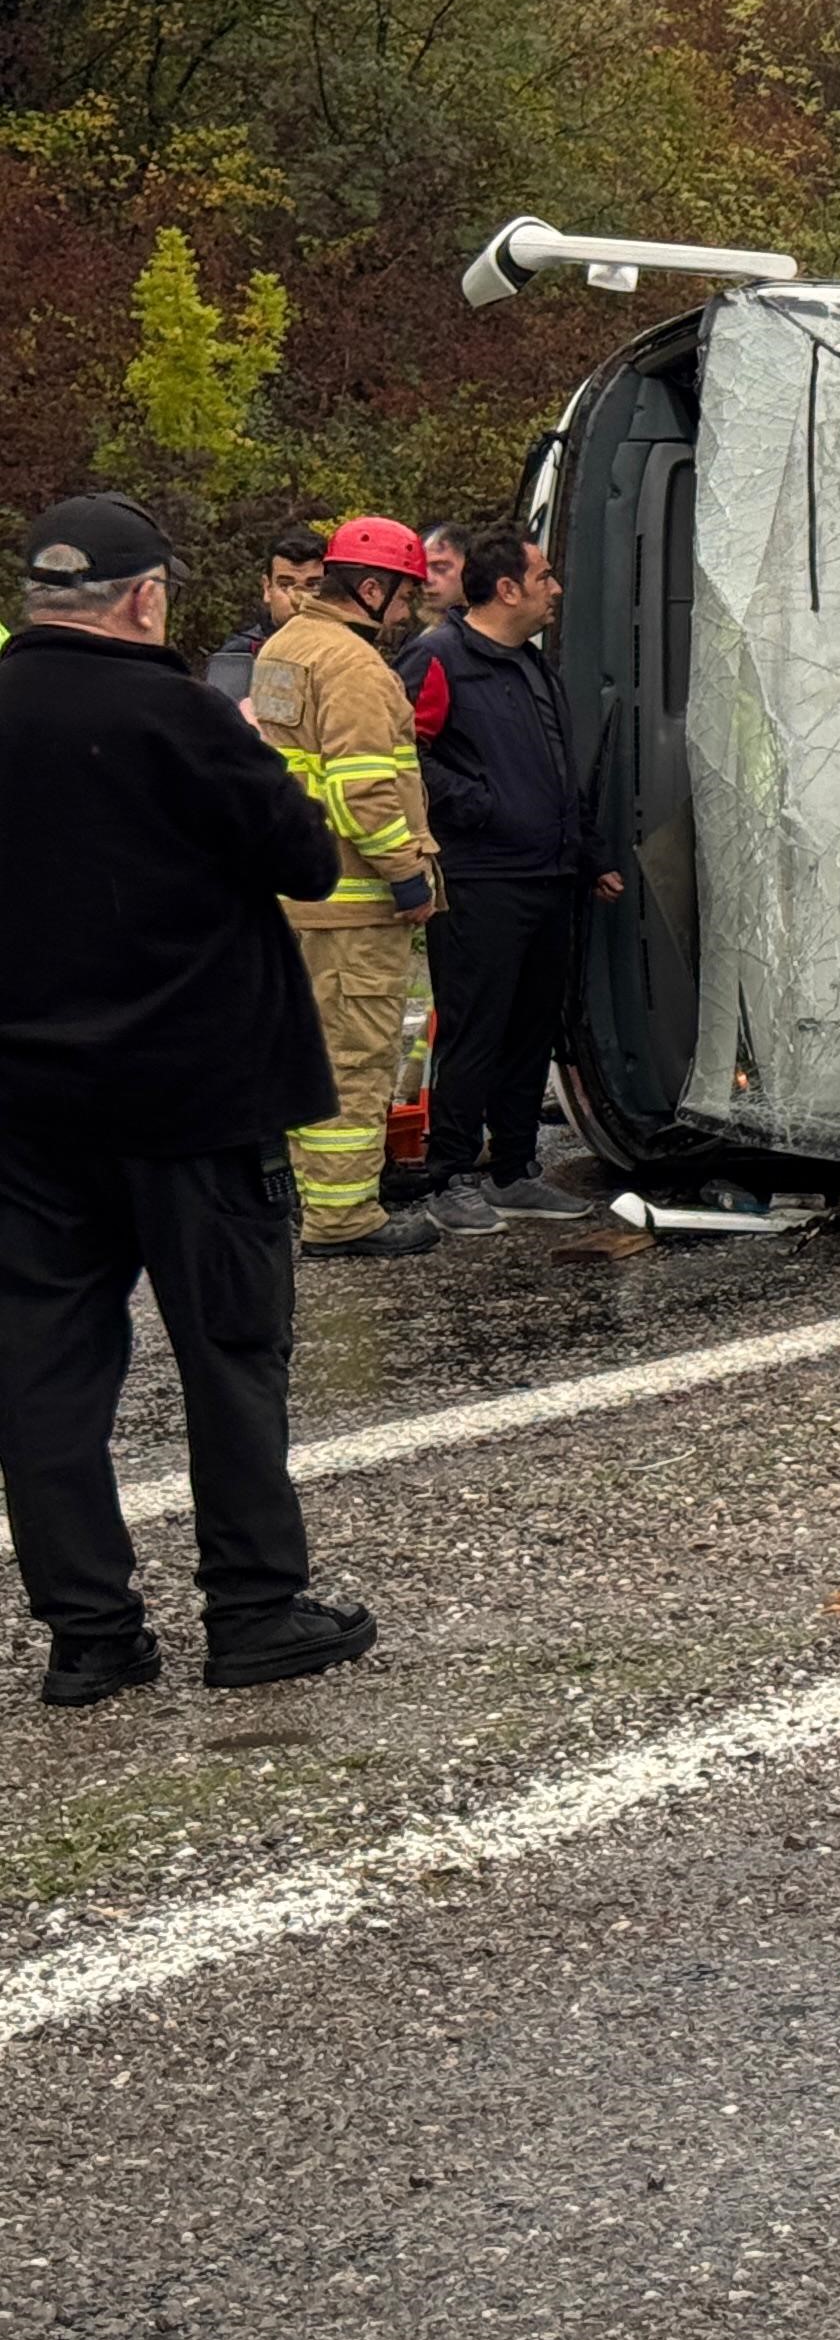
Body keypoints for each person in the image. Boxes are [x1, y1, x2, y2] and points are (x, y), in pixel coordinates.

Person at [0, 494, 376, 1701]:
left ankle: (88, 1635)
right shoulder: (182, 714)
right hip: (197, 1097)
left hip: (27, 1107)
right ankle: (254, 1608)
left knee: (44, 1365)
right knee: (228, 1351)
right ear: (146, 597)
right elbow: (305, 856)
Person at [395, 531, 621, 1229]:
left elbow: (558, 772)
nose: (556, 589)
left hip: (549, 878)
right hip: (479, 879)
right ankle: (449, 1176)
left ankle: (515, 1168)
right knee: (474, 1028)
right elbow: (402, 753)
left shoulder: (533, 666)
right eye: (544, 576)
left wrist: (589, 854)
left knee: (529, 1029)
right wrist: (480, 805)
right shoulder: (437, 658)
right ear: (507, 589)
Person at [251, 513, 444, 1258]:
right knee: (355, 1058)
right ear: (368, 588)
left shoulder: (283, 648)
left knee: (301, 1052)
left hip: (294, 896)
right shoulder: (355, 667)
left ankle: (306, 1193)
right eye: (400, 600)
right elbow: (364, 791)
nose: (403, 617)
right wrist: (407, 878)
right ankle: (342, 1217)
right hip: (353, 903)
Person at [200, 524, 326, 706]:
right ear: (267, 588)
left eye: (313, 585)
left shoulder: (348, 654)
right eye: (286, 585)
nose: (298, 597)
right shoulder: (240, 654)